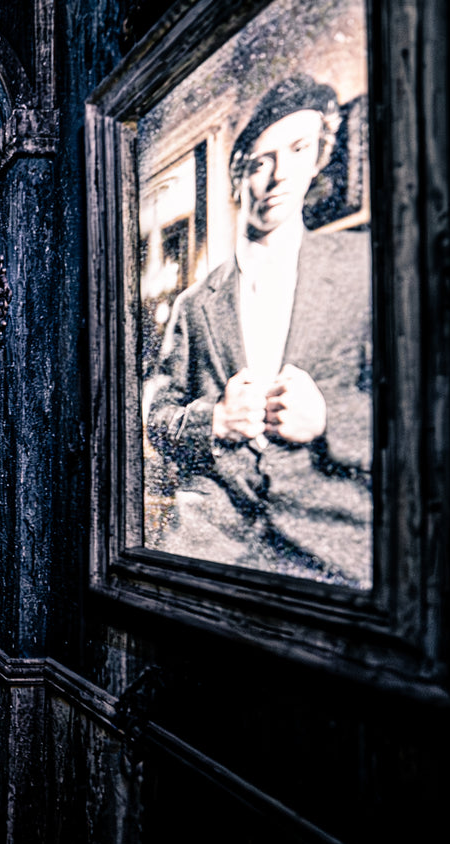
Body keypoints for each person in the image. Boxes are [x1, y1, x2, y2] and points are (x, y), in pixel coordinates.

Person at [144, 74, 372, 586]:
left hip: (333, 552)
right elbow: (155, 415)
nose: (278, 176)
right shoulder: (194, 304)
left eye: (297, 150)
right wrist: (215, 421)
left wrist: (329, 419)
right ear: (238, 172)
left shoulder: (364, 271)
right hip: (210, 546)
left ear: (318, 157)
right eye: (261, 160)